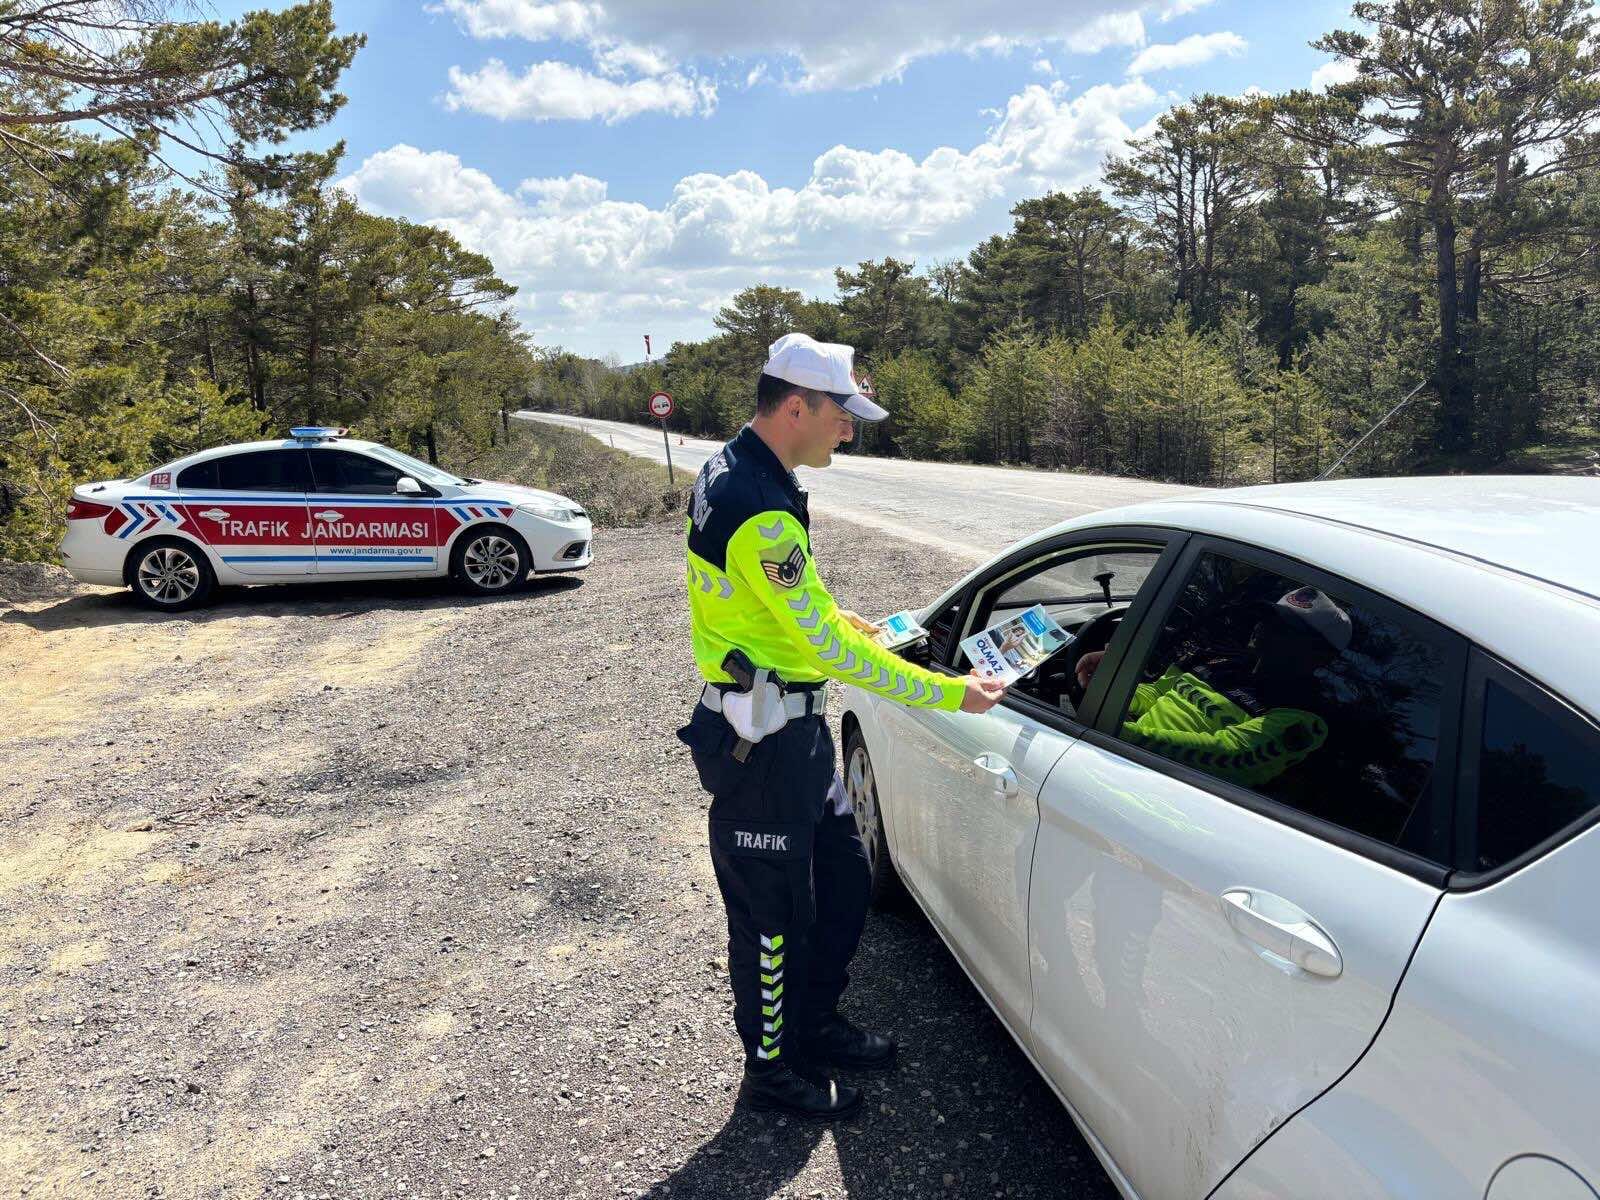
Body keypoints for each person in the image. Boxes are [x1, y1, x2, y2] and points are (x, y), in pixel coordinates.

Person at [679, 332, 1007, 1121]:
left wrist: (844, 619)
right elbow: (825, 648)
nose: (851, 430)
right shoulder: (757, 506)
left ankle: (812, 1025)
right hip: (762, 748)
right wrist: (947, 692)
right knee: (772, 919)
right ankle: (770, 1071)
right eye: (843, 414)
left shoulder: (749, 471)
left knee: (846, 882)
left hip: (796, 731)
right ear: (798, 406)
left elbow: (794, 612)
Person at [1074, 586, 1351, 789]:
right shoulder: (1217, 658)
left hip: (1162, 802)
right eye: (1269, 617)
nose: (1264, 626)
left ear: (1318, 655)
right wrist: (1107, 689)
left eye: (1284, 627)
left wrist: (1110, 728)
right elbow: (1156, 693)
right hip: (1116, 763)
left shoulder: (1304, 715)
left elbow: (1228, 756)